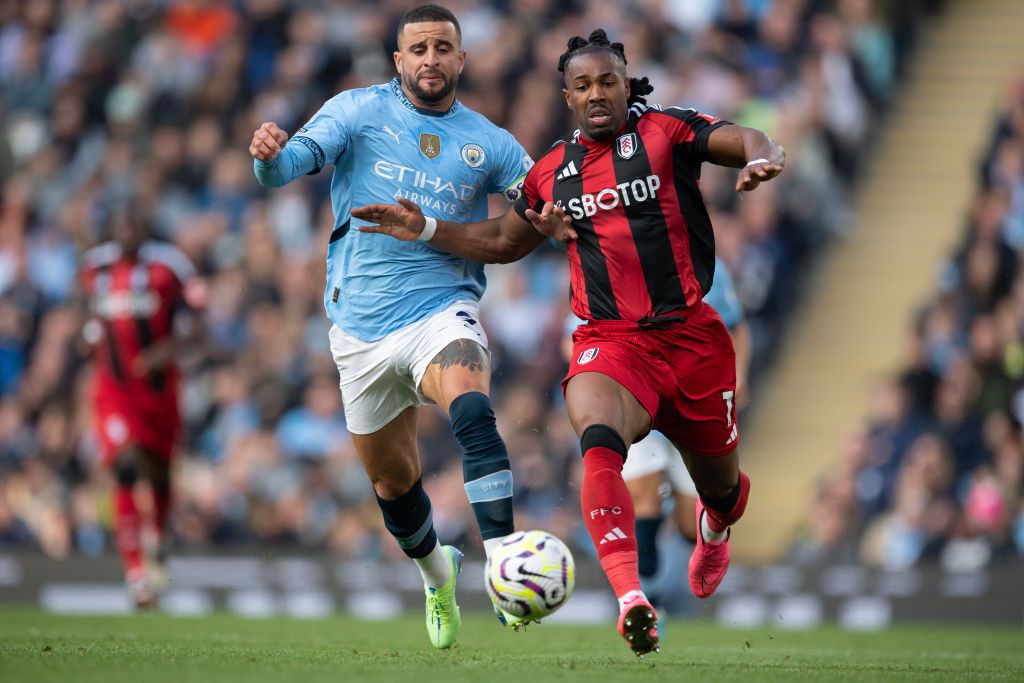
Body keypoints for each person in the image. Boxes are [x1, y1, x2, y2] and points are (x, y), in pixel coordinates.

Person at [351, 29, 785, 655]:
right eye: (582, 85)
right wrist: (425, 228)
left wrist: (760, 155)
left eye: (606, 80)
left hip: (692, 339)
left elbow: (743, 136)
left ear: (625, 81)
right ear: (568, 97)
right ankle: (632, 597)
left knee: (723, 489)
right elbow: (502, 241)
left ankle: (715, 527)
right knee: (598, 441)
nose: (596, 93)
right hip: (611, 343)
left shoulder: (666, 132)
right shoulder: (554, 173)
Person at [249, 5, 535, 649]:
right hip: (358, 328)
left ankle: (505, 562)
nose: (430, 58)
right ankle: (438, 575)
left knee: (470, 399)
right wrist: (268, 157)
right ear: (398, 59)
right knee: (392, 485)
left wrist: (561, 217)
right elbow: (285, 167)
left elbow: (536, 210)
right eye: (418, 49)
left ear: (462, 60)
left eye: (443, 48)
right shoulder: (355, 109)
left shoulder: (489, 141)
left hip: (441, 309)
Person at [80, 201, 204, 608]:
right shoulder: (93, 270)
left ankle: (160, 534)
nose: (126, 231)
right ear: (112, 231)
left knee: (159, 474)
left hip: (160, 392)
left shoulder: (169, 267)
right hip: (113, 392)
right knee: (126, 466)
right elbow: (81, 315)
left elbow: (199, 323)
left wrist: (164, 351)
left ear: (145, 228)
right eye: (120, 224)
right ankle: (136, 573)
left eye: (133, 223)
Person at [620, 258, 752, 607]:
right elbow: (573, 335)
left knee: (687, 524)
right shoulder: (612, 256)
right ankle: (650, 607)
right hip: (641, 400)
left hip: (693, 400)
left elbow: (736, 326)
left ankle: (704, 537)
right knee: (644, 499)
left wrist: (742, 375)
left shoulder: (709, 267)